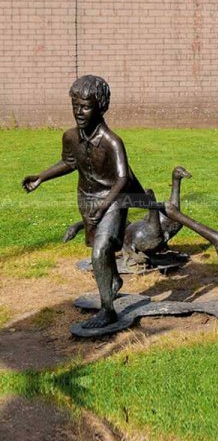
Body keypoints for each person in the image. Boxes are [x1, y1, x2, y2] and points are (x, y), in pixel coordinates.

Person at [22, 75, 153, 329]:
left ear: (101, 107)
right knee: (99, 248)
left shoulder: (113, 142)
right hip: (86, 199)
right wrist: (41, 177)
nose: (78, 112)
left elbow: (123, 179)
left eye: (85, 106)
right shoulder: (70, 137)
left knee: (101, 250)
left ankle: (108, 310)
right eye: (75, 105)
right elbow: (69, 162)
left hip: (113, 199)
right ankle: (113, 282)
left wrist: (104, 207)